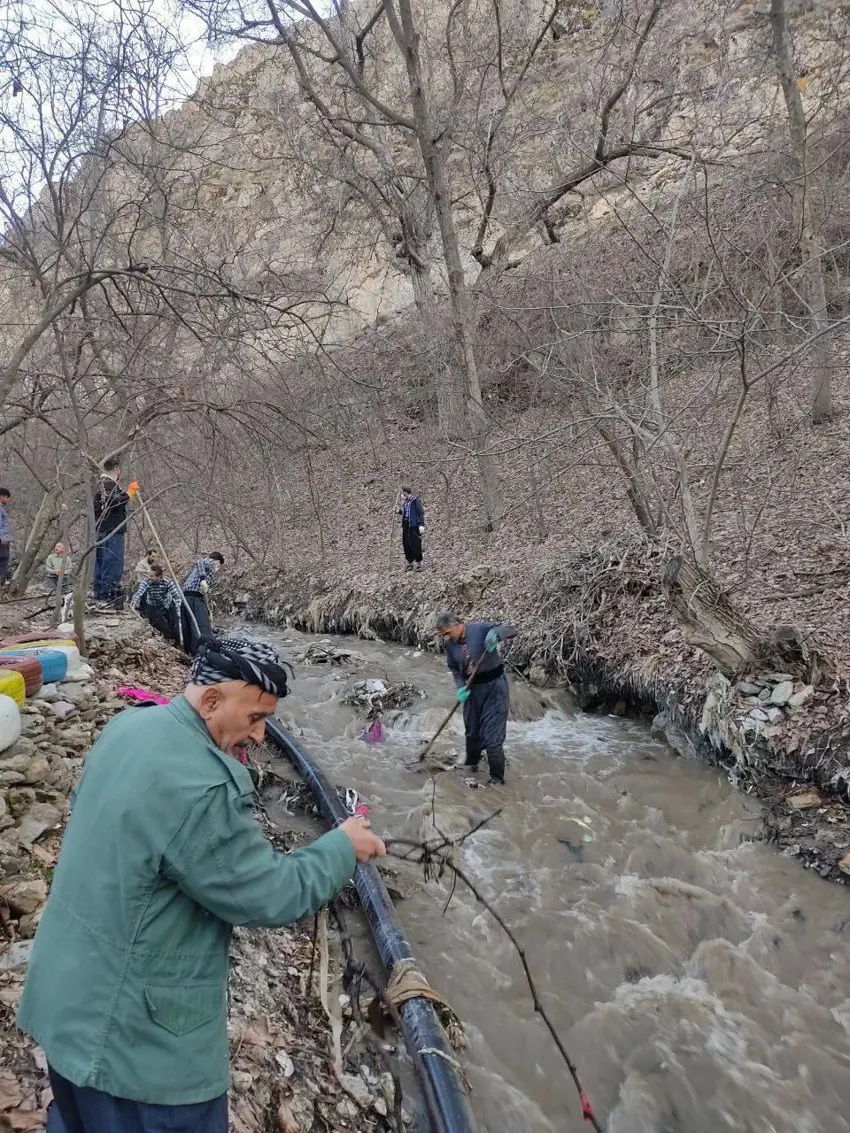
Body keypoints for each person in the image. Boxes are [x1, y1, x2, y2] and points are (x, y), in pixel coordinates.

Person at [18, 635, 386, 1133]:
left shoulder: (130, 725)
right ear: (212, 700)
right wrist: (342, 847)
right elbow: (266, 894)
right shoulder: (203, 785)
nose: (260, 736)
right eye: (256, 718)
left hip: (66, 1004)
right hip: (137, 1053)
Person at [436, 612, 518, 785]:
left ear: (457, 624)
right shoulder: (451, 645)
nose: (446, 637)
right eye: (443, 634)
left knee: (492, 738)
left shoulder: (479, 629)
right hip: (471, 689)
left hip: (495, 687)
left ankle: (497, 781)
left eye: (447, 632)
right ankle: (471, 768)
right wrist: (460, 687)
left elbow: (510, 630)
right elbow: (454, 668)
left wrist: (495, 635)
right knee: (472, 733)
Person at [93, 459, 132, 607]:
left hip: (102, 530)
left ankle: (100, 593)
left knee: (102, 562)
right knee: (112, 562)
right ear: (116, 469)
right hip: (112, 530)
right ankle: (107, 595)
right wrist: (128, 494)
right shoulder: (106, 484)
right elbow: (112, 502)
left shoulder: (99, 484)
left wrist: (128, 496)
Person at [181, 552, 224, 655]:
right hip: (194, 597)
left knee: (189, 625)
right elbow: (200, 562)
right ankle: (203, 651)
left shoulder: (197, 569)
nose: (218, 568)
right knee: (201, 625)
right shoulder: (209, 562)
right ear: (217, 561)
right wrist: (203, 580)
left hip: (187, 597)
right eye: (219, 565)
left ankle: (191, 651)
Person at [130, 563, 183, 647]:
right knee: (158, 624)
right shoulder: (146, 582)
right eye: (149, 575)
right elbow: (139, 593)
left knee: (174, 624)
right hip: (152, 605)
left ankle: (178, 642)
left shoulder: (167, 582)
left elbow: (177, 597)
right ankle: (168, 640)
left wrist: (178, 609)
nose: (149, 577)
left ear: (159, 576)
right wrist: (133, 603)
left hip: (167, 604)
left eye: (152, 576)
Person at [398, 486, 424, 571]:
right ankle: (410, 562)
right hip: (406, 525)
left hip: (414, 525)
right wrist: (398, 511)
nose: (402, 495)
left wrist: (421, 524)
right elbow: (404, 512)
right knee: (406, 544)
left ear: (406, 492)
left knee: (415, 544)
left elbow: (420, 512)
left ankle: (419, 563)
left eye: (403, 493)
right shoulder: (405, 502)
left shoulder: (415, 501)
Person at [0, 488, 11, 587]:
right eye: (8, 497)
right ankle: (1, 582)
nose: (9, 500)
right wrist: (2, 538)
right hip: (2, 540)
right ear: (2, 497)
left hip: (4, 539)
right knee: (4, 558)